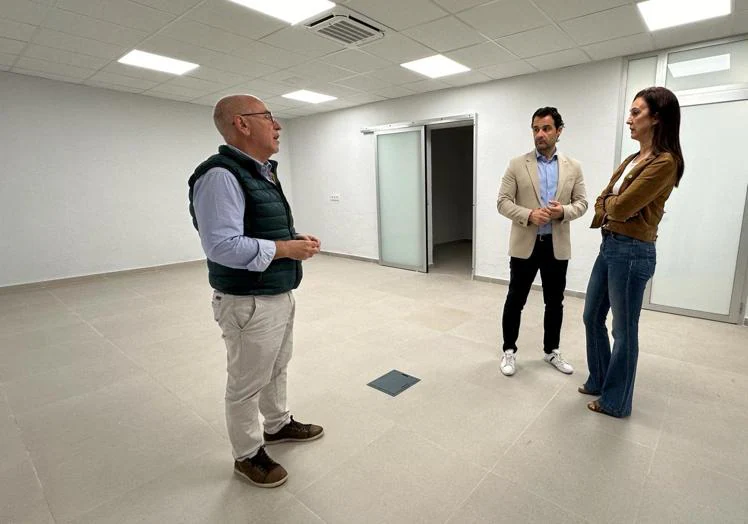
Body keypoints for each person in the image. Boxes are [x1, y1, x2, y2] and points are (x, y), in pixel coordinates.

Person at [188, 94, 324, 488]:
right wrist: (285, 249)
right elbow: (222, 246)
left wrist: (291, 238)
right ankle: (247, 455)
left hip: (276, 292)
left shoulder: (260, 171)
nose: (278, 125)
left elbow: (254, 229)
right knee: (246, 382)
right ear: (241, 124)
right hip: (247, 300)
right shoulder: (219, 175)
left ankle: (278, 424)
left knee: (277, 366)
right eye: (269, 117)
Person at [581, 86, 684, 417]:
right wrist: (610, 206)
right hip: (610, 244)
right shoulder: (632, 159)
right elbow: (602, 201)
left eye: (636, 112)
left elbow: (621, 205)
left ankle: (616, 401)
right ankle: (599, 379)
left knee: (623, 330)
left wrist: (611, 205)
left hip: (632, 251)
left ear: (656, 118)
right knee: (591, 316)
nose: (629, 119)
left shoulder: (665, 162)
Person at [497, 107, 588, 377]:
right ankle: (509, 351)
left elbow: (582, 203)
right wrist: (529, 215)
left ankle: (551, 351)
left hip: (556, 245)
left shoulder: (573, 167)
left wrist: (563, 212)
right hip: (526, 244)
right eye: (536, 128)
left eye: (546, 128)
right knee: (515, 299)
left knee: (554, 301)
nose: (540, 134)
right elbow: (502, 202)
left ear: (558, 131)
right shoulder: (517, 164)